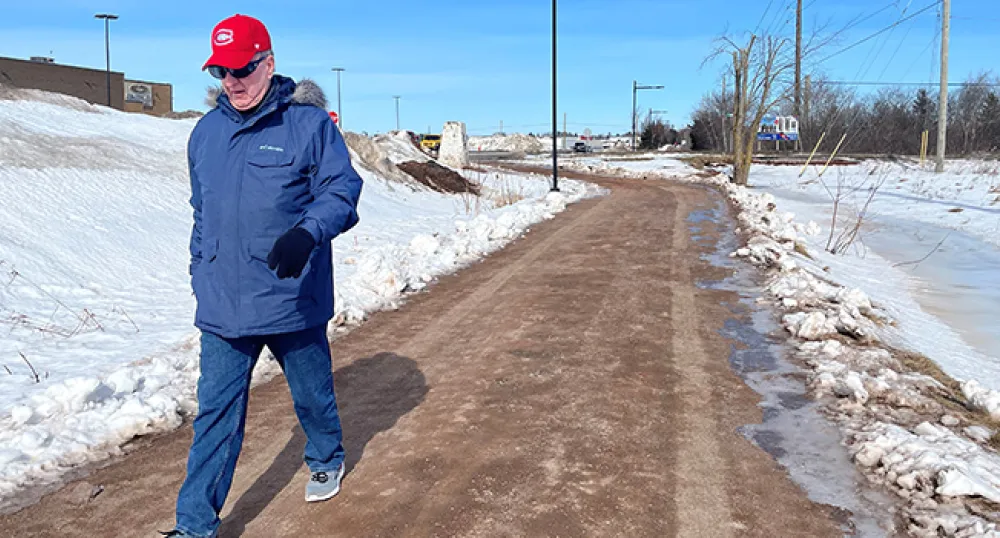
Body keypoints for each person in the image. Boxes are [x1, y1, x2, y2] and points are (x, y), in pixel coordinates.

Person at [164, 13, 363, 538]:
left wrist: (308, 233)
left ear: (268, 63)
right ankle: (193, 526)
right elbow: (200, 212)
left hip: (290, 297)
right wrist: (198, 272)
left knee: (312, 395)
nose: (232, 82)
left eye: (242, 69)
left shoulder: (309, 125)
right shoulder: (206, 134)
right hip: (224, 304)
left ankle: (326, 454)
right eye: (220, 72)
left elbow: (341, 190)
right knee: (214, 418)